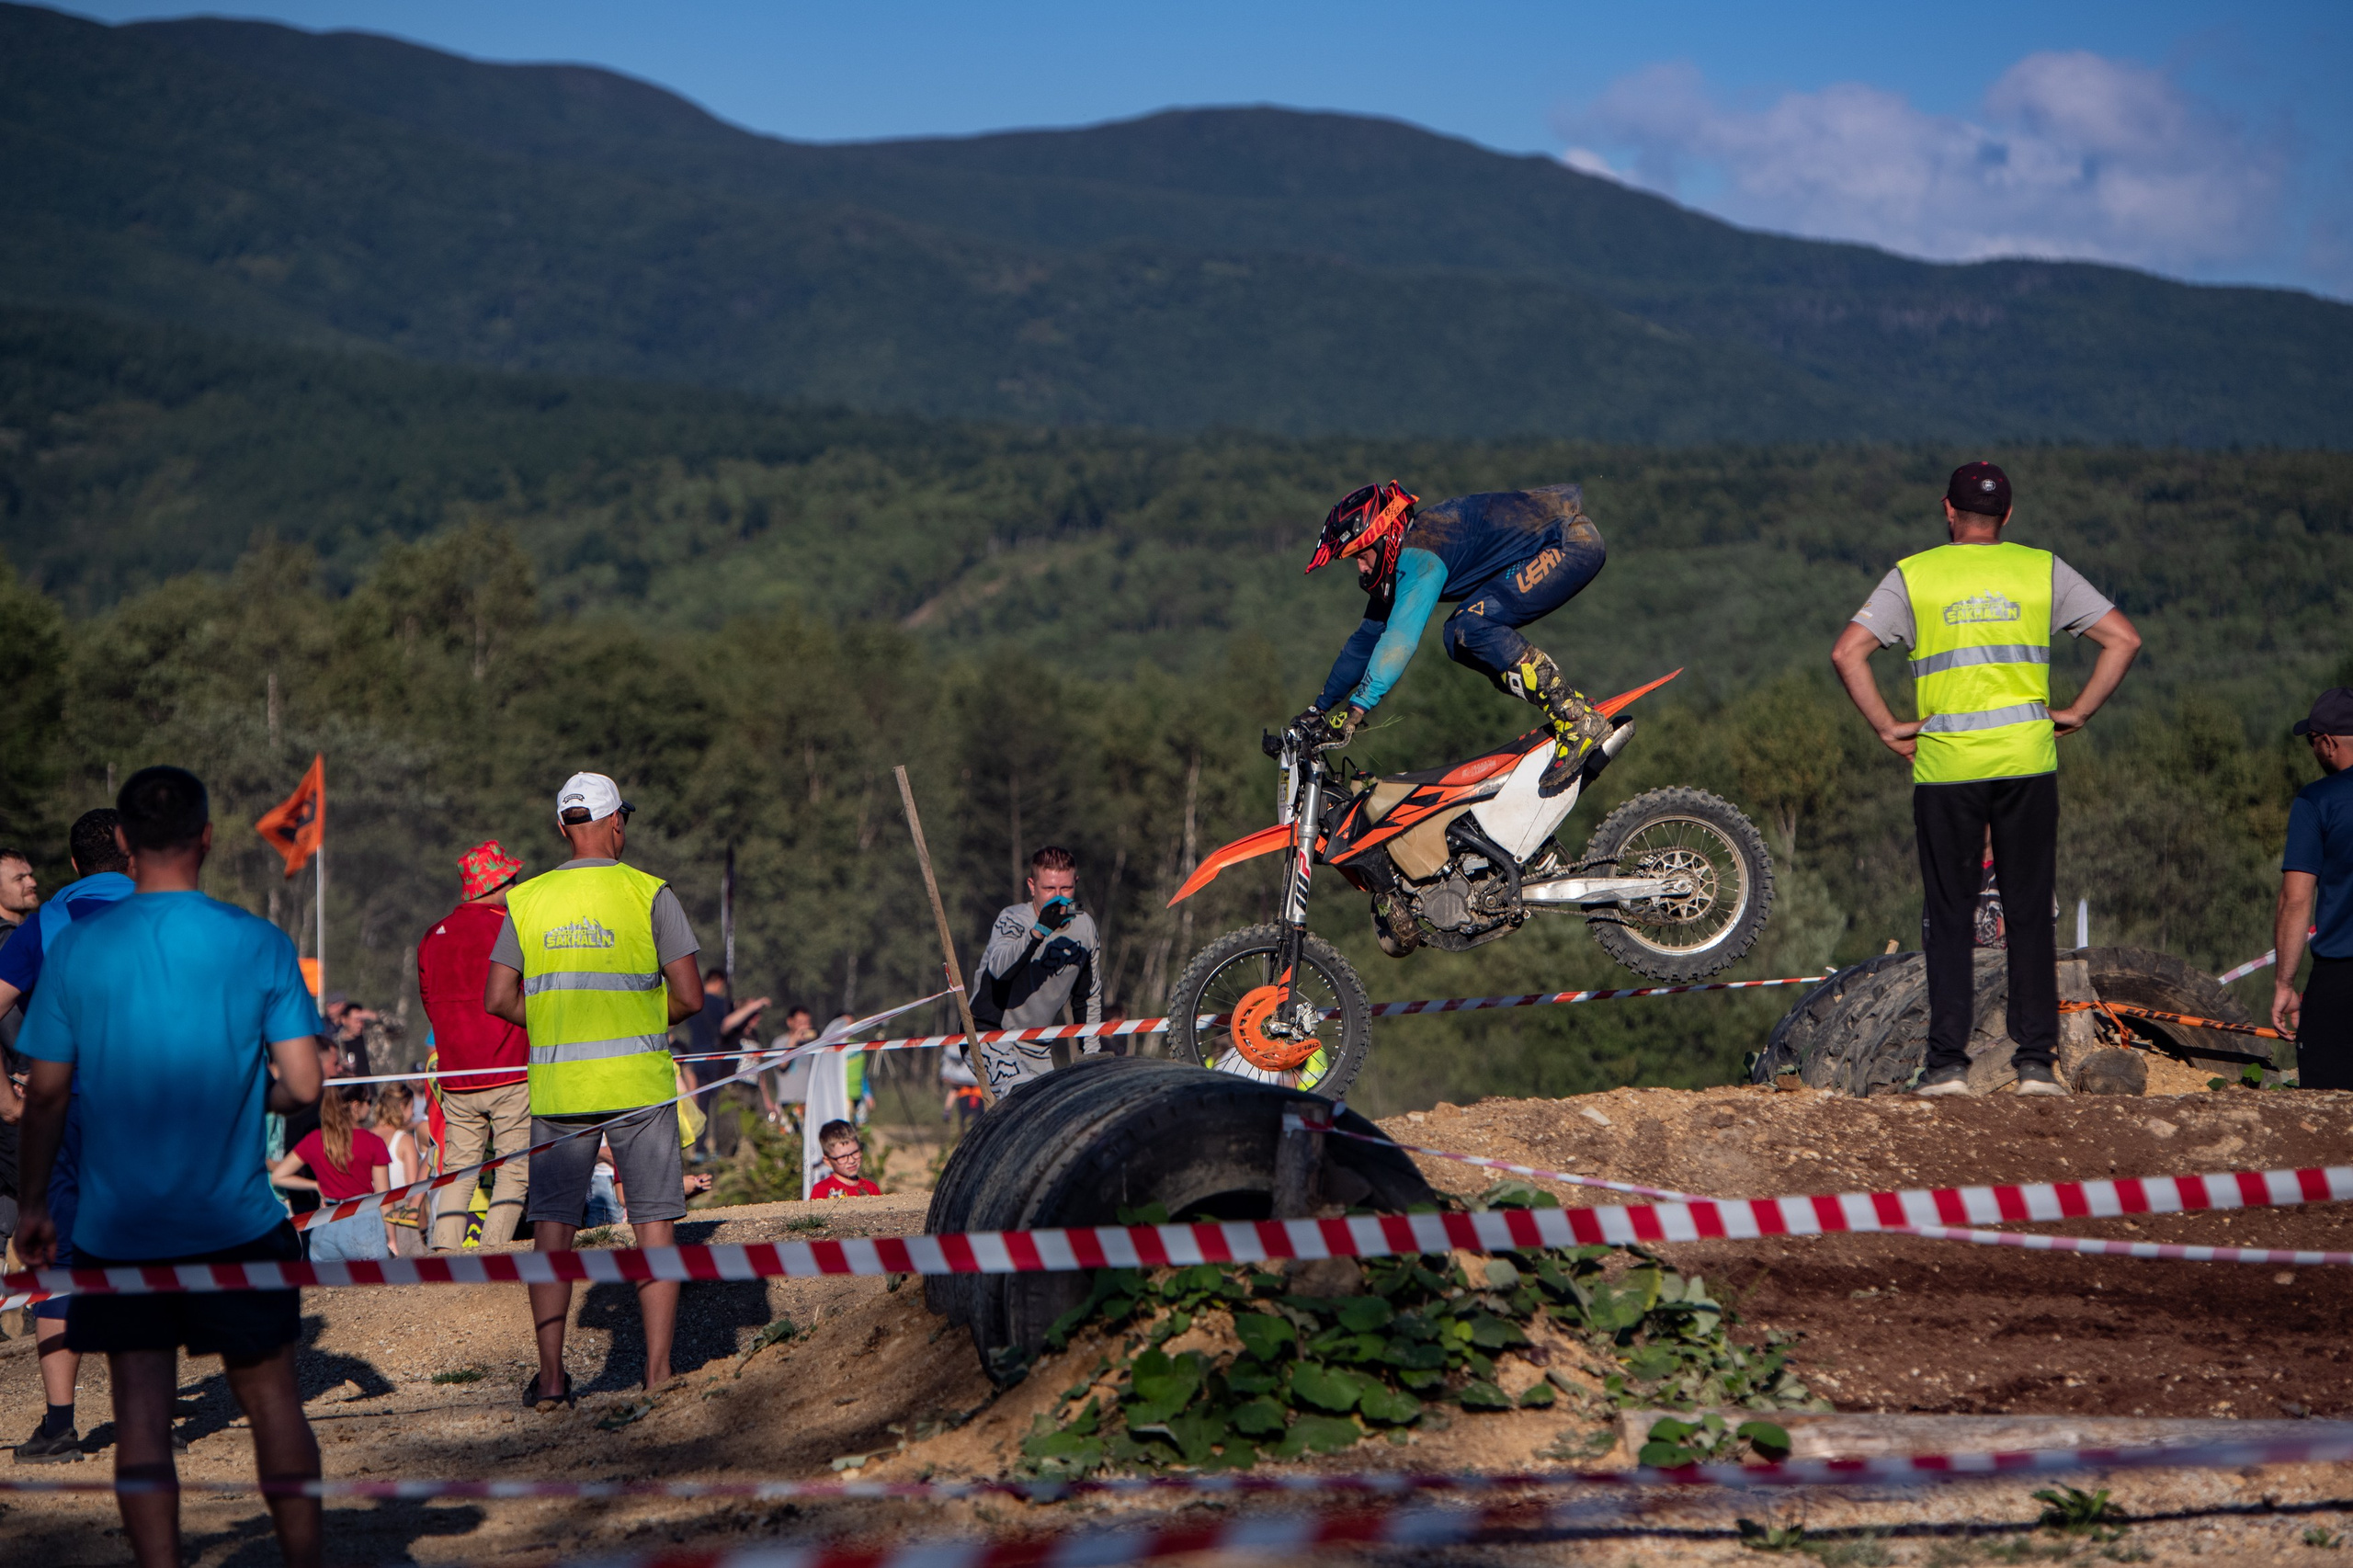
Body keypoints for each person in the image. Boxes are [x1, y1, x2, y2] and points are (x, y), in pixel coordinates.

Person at [14, 767, 326, 1568]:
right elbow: (304, 1084)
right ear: (209, 837)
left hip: (122, 1231)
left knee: (143, 1418)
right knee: (273, 1406)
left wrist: (38, 1206)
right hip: (238, 1220)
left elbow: (45, 1096)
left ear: (121, 841)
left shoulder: (75, 944)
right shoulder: (257, 939)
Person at [1832, 461, 2141, 1097]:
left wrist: (1890, 727)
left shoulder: (1914, 575)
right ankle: (2035, 1064)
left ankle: (1947, 1066)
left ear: (1948, 510)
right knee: (2030, 913)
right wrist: (2078, 711)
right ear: (2008, 516)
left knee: (1949, 914)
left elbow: (1847, 652)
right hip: (2028, 760)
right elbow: (2123, 639)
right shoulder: (2041, 569)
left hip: (1946, 766)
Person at [483, 771, 703, 1408]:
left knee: (553, 1229)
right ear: (616, 825)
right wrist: (630, 1021)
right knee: (654, 1223)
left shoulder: (525, 900)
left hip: (558, 1090)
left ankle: (551, 1381)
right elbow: (689, 995)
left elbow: (498, 997)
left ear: (562, 828)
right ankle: (658, 1377)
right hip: (638, 1083)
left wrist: (559, 1021)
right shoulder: (649, 893)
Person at [1292, 482, 1612, 797]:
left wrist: (1356, 710)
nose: (1361, 569)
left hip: (1569, 543)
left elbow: (1399, 641)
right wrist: (1318, 709)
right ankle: (1566, 702)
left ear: (1384, 540)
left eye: (1362, 556)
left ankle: (1575, 716)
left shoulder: (1420, 559)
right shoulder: (1404, 555)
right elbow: (1365, 641)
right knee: (1458, 638)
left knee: (1470, 627)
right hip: (1561, 538)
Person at [0, 809, 134, 1461]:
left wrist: (4, 1097)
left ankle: (60, 1423)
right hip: (148, 1108)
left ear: (76, 864)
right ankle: (144, 1417)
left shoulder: (48, 921)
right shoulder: (173, 915)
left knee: (59, 1265)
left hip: (62, 1110)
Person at [417, 840, 533, 1250]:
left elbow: (431, 1004)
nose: (518, 884)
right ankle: (493, 1250)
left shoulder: (433, 936)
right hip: (510, 1071)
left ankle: (445, 1251)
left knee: (459, 1171)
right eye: (513, 878)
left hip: (457, 1077)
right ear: (500, 882)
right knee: (516, 1170)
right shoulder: (513, 925)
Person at [969, 846, 1105, 1096]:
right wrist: (1039, 931)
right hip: (990, 1037)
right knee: (1023, 1097)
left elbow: (1088, 996)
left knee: (1055, 1109)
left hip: (1038, 1045)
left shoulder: (1085, 928)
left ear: (1076, 883)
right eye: (1049, 889)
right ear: (1032, 886)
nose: (1058, 897)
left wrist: (1092, 1054)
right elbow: (999, 969)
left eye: (1065, 889)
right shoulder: (1012, 919)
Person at [2275, 688, 2353, 1085]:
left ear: (2328, 742)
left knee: (2328, 1112)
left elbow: (2295, 899)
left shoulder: (2317, 800)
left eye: (2311, 742)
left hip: (2342, 976)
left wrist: (2284, 984)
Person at [269, 1088, 390, 1262]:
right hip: (363, 1220)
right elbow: (383, 1197)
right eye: (368, 1101)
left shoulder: (315, 1140)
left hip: (327, 1222)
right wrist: (392, 1237)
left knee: (329, 1288)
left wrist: (316, 1185)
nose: (370, 1106)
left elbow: (278, 1176)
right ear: (355, 1106)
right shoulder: (373, 1142)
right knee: (375, 1284)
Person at [679, 967, 767, 1158]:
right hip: (717, 1059)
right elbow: (727, 1024)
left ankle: (700, 1149)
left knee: (701, 1105)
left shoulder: (695, 1001)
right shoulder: (720, 1003)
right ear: (719, 981)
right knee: (721, 1107)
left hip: (697, 1056)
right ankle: (719, 1149)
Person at [370, 1085, 429, 1256]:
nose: (412, 1114)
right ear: (401, 1107)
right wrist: (423, 1230)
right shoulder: (404, 1140)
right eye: (411, 1108)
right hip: (400, 1217)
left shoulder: (365, 1137)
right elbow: (414, 1191)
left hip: (372, 1217)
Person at [808, 1120, 880, 1199]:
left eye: (855, 1152)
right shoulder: (821, 1190)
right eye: (842, 1157)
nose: (852, 1161)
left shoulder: (871, 1189)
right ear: (827, 1161)